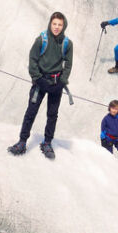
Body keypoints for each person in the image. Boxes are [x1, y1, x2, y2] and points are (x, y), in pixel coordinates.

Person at [8, 12, 73, 159]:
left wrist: (62, 81)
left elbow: (68, 64)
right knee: (31, 111)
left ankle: (47, 143)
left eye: (60, 25)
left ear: (64, 26)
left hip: (56, 82)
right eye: (54, 24)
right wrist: (37, 78)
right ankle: (22, 141)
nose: (56, 27)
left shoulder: (67, 43)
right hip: (41, 81)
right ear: (50, 23)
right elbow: (33, 59)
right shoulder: (41, 40)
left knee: (52, 115)